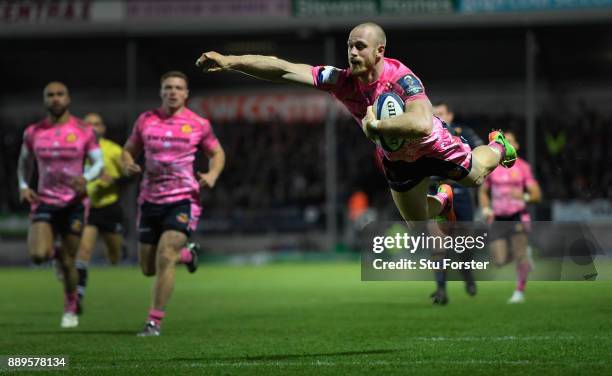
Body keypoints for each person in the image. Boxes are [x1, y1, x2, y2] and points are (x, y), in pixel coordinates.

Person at [195, 22, 516, 227]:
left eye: (359, 46)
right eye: (349, 45)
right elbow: (283, 69)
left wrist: (379, 130)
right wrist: (230, 61)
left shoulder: (401, 77)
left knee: (475, 176)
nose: (352, 51)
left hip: (433, 145)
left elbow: (420, 122)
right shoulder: (342, 81)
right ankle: (444, 198)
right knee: (416, 223)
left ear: (379, 51)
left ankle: (498, 145)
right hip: (398, 160)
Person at [122, 71, 226, 336]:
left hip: (183, 199)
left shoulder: (198, 123)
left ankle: (153, 322)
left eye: (178, 87)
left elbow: (216, 152)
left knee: (165, 255)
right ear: (161, 91)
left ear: (186, 93)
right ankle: (188, 254)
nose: (173, 92)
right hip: (149, 200)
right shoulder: (145, 121)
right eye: (168, 87)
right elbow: (128, 149)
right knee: (147, 267)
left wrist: (212, 174)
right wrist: (127, 163)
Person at [17, 82, 103, 328]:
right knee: (37, 254)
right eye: (50, 95)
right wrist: (23, 185)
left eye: (60, 94)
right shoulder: (33, 132)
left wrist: (86, 177)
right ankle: (53, 254)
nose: (55, 99)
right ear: (45, 100)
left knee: (69, 262)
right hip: (44, 200)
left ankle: (71, 304)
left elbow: (99, 164)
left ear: (68, 99)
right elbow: (24, 163)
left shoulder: (84, 130)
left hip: (74, 203)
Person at [429, 102, 483, 304]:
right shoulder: (424, 135)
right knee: (438, 243)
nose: (438, 116)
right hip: (436, 190)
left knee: (466, 243)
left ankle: (466, 270)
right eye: (434, 114)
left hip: (460, 191)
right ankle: (441, 290)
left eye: (441, 113)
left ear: (450, 115)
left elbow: (480, 154)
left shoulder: (464, 132)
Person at [478, 131, 541, 303]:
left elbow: (536, 194)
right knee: (499, 260)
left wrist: (525, 197)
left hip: (517, 215)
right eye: (504, 141)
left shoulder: (523, 167)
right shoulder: (492, 168)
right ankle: (524, 254)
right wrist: (485, 209)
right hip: (498, 217)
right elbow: (483, 192)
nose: (506, 144)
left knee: (519, 254)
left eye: (510, 141)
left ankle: (519, 292)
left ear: (516, 146)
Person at [75, 112, 126, 314]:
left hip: (109, 207)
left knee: (114, 257)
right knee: (84, 249)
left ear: (103, 128)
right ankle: (78, 295)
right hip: (87, 207)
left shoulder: (113, 150)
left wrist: (114, 181)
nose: (93, 128)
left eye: (96, 124)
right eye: (88, 124)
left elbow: (130, 175)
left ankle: (119, 249)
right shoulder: (75, 149)